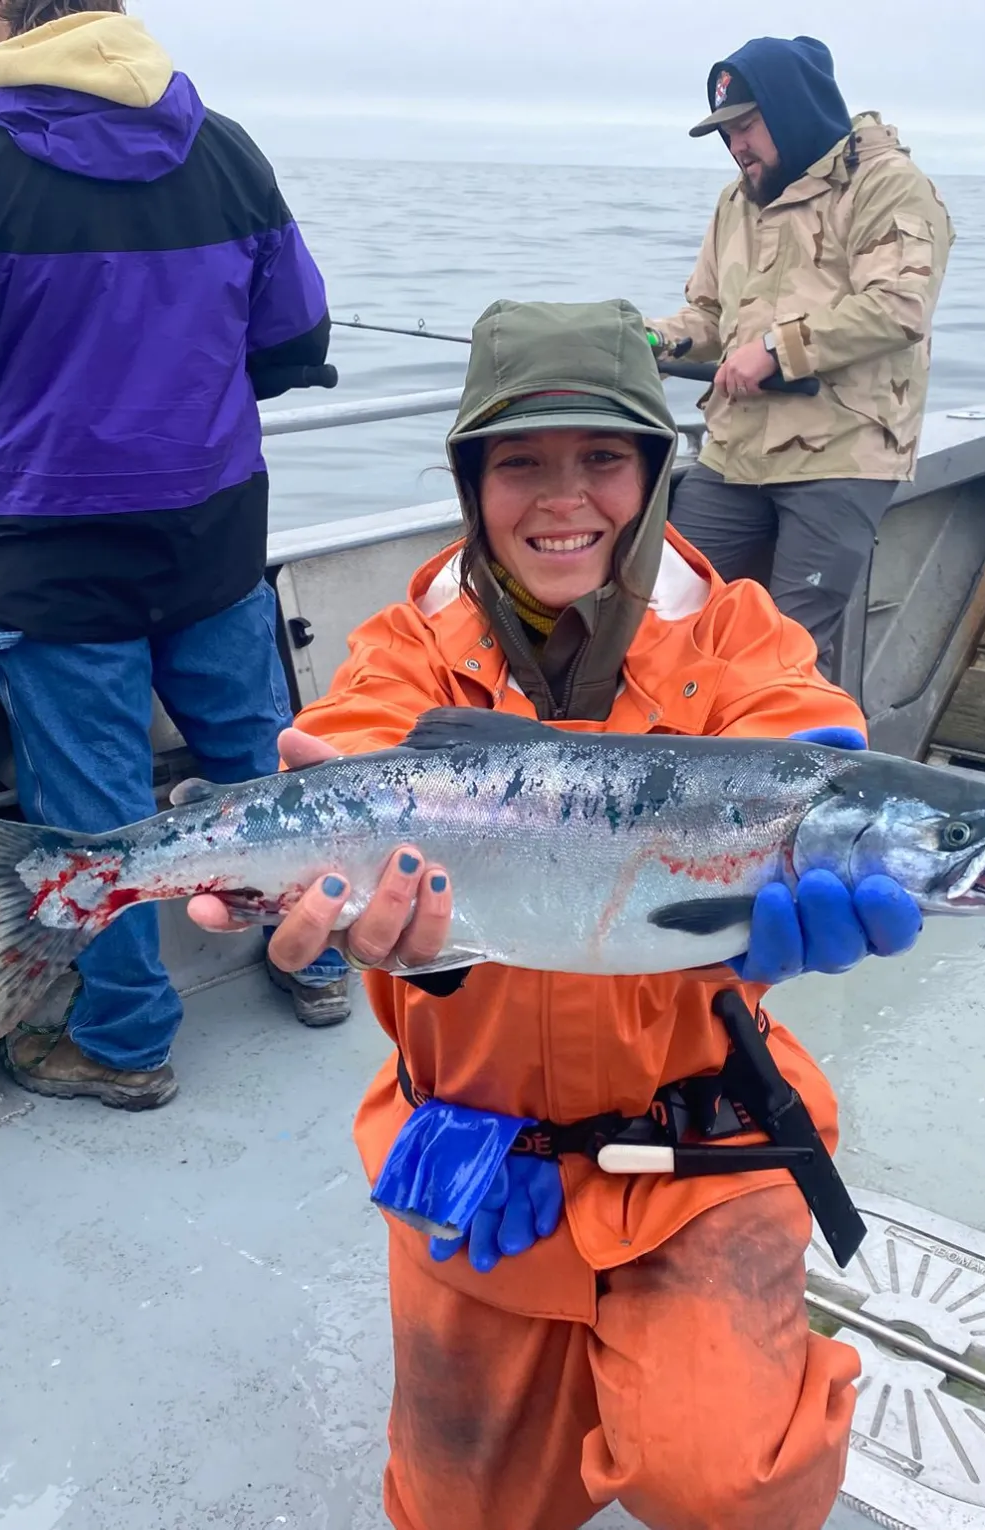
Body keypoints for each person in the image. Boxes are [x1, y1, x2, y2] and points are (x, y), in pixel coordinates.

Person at [190, 299, 923, 1530]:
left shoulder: (737, 633)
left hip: (710, 1141)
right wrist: (322, 869)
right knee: (461, 1508)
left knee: (732, 1481)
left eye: (603, 458)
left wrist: (834, 823)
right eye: (519, 462)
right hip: (477, 1147)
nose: (562, 498)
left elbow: (802, 735)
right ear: (472, 486)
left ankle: (764, 1377)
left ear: (654, 474)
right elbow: (355, 745)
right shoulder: (404, 650)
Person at [0, 0, 352, 1113]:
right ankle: (325, 958)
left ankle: (129, 1041)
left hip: (58, 545)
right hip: (216, 531)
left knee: (92, 809)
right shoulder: (226, 147)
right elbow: (296, 342)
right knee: (250, 755)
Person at [649, 36, 955, 704]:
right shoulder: (737, 202)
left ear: (792, 111)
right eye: (726, 134)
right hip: (735, 453)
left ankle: (792, 798)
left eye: (747, 126)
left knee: (789, 653)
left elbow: (900, 306)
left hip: (841, 454)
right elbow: (707, 316)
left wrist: (777, 351)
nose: (737, 147)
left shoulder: (886, 184)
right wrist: (652, 340)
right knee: (661, 612)